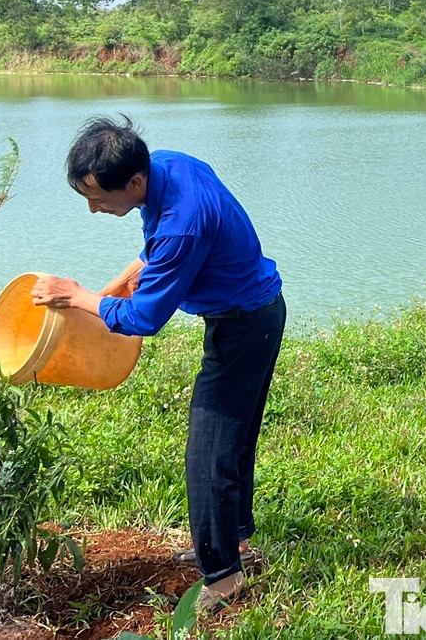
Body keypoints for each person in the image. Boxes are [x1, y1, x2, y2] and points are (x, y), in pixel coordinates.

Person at [30, 117, 284, 614]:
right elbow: (159, 250)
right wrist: (120, 281)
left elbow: (144, 318)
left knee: (208, 451)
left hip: (245, 326)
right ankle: (235, 540)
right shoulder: (167, 166)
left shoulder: (183, 223)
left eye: (98, 198)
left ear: (134, 182)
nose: (93, 208)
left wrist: (79, 296)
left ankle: (224, 576)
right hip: (252, 313)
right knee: (232, 440)